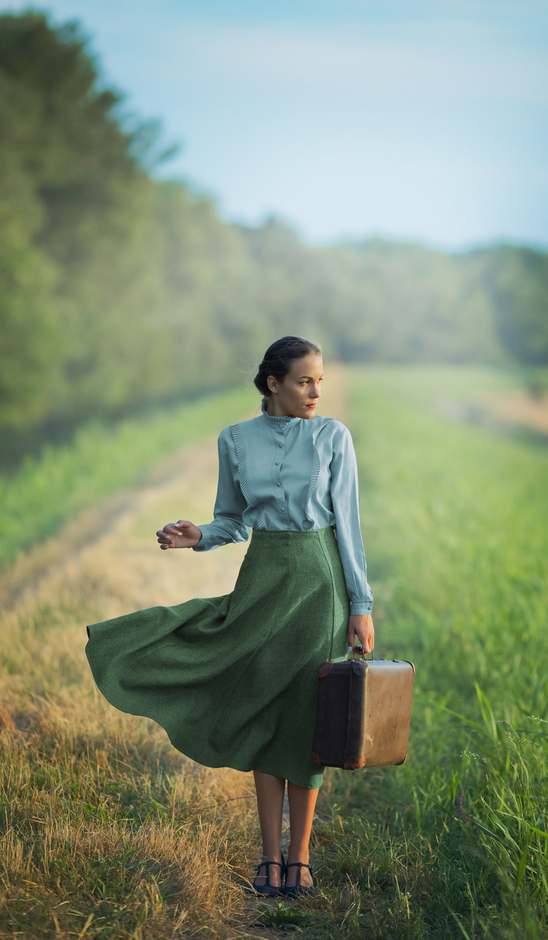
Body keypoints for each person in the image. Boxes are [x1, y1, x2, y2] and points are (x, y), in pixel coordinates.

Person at [85, 335, 374, 897]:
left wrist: (360, 605)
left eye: (320, 381)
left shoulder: (333, 436)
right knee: (264, 711)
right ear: (273, 384)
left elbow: (350, 528)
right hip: (262, 578)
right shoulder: (235, 440)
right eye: (304, 381)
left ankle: (302, 857)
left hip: (320, 584)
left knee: (306, 719)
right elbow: (232, 521)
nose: (316, 392)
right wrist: (198, 536)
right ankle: (269, 858)